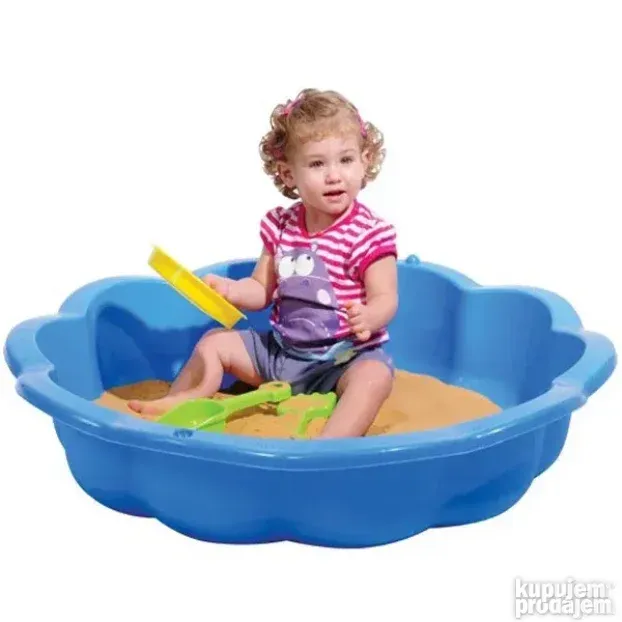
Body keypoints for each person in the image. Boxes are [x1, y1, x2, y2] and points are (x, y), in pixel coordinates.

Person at [129, 88, 399, 438]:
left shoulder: (369, 234)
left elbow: (386, 297)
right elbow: (261, 289)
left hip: (341, 360)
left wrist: (370, 316)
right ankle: (182, 400)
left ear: (365, 161)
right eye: (317, 164)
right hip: (280, 356)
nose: (334, 175)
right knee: (214, 342)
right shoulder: (282, 227)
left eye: (346, 160)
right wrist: (230, 291)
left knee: (374, 376)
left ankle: (331, 444)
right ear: (288, 175)